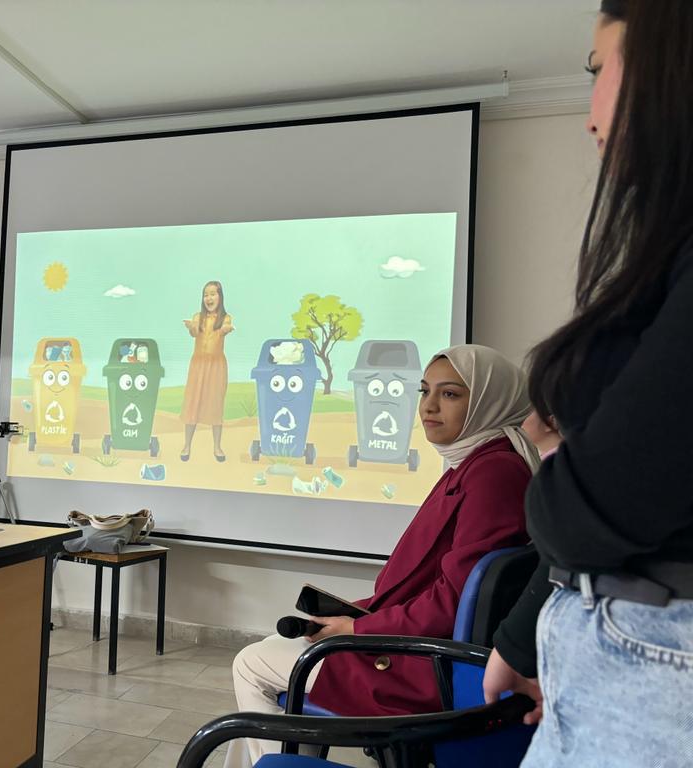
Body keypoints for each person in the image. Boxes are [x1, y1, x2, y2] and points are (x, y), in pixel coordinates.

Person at [483, 2, 693, 764]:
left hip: (654, 671)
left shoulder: (487, 473)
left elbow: (601, 505)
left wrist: (558, 462)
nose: (589, 113)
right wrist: (526, 640)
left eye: (598, 71)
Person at [224, 345, 539, 768]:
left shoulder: (492, 473)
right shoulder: (481, 462)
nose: (428, 406)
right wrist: (357, 617)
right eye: (425, 391)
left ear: (489, 400)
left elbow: (452, 601)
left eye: (449, 394)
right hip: (427, 649)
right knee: (275, 646)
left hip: (426, 664)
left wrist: (359, 627)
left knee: (251, 662)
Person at [180, 281, 233, 462]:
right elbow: (194, 333)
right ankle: (187, 445)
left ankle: (217, 447)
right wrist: (191, 327)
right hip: (198, 366)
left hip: (216, 367)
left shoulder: (225, 318)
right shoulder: (198, 316)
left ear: (220, 297)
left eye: (212, 294)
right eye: (206, 295)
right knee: (192, 403)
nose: (209, 298)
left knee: (215, 405)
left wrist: (225, 329)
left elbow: (225, 329)